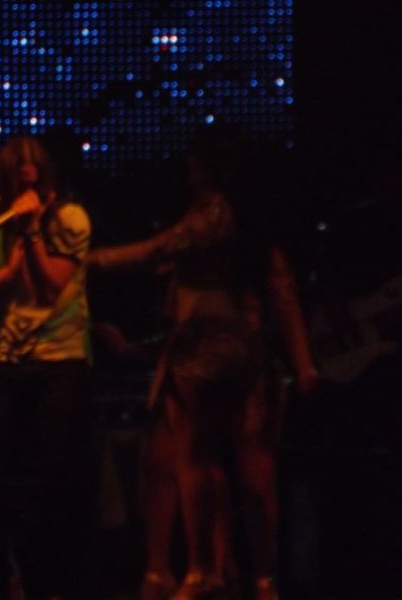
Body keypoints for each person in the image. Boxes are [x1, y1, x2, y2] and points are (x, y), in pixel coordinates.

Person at [88, 132, 317, 600]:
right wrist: (304, 365)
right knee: (214, 463)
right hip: (236, 355)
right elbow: (284, 293)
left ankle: (206, 571)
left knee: (200, 459)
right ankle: (237, 575)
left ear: (205, 167)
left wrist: (86, 260)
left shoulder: (214, 216)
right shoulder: (246, 231)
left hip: (212, 353)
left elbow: (158, 250)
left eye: (192, 162)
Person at [0, 136, 92, 599]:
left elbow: (51, 289)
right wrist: (7, 276)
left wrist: (31, 233)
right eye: (20, 184)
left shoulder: (70, 219)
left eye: (37, 183)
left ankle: (49, 580)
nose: (31, 192)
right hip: (2, 359)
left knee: (56, 476)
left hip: (60, 358)